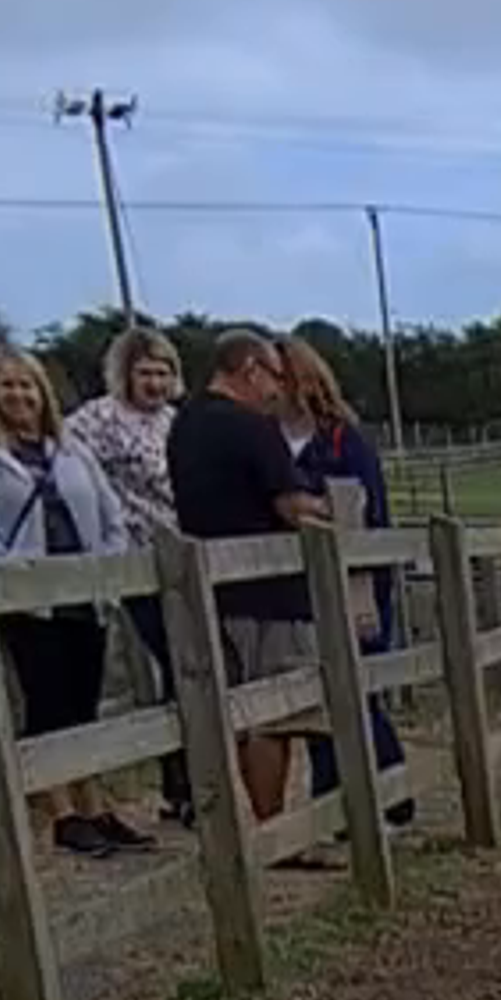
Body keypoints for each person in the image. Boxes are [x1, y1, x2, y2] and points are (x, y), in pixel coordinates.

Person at [0, 345, 137, 857]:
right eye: (7, 385)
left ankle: (94, 805)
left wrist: (106, 564)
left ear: (42, 392)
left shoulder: (71, 448)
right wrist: (8, 568)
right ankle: (61, 812)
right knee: (47, 701)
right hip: (30, 600)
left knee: (84, 702)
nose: (18, 394)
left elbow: (110, 512)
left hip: (83, 592)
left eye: (26, 384)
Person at [166, 323, 329, 840]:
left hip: (210, 591)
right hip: (268, 593)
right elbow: (292, 506)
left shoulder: (185, 424)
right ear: (250, 369)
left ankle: (249, 824)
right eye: (274, 377)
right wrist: (333, 508)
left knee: (234, 711)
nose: (277, 389)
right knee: (273, 716)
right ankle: (275, 832)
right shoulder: (253, 428)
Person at [58, 320, 187, 820]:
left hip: (181, 557)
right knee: (175, 657)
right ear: (125, 374)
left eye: (163, 373)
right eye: (145, 373)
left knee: (188, 664)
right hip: (134, 557)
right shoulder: (99, 419)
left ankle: (184, 781)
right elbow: (64, 461)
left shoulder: (174, 422)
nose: (155, 383)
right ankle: (180, 782)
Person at [281, 338, 410, 814]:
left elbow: (372, 513)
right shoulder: (266, 444)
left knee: (358, 693)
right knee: (318, 700)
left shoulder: (342, 440)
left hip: (355, 586)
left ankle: (391, 795)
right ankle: (334, 801)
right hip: (297, 590)